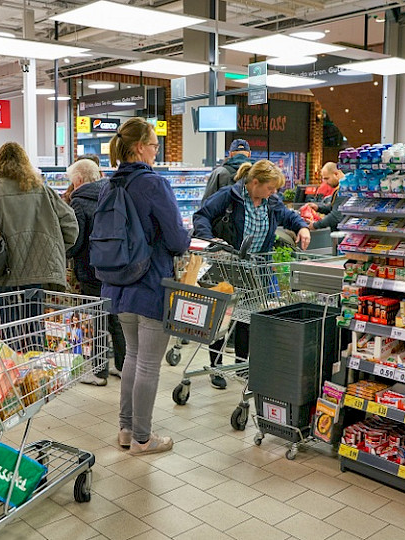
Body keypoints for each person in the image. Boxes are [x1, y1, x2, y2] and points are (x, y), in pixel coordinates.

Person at [99, 118, 190, 456]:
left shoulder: (110, 185)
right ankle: (142, 438)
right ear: (139, 147)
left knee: (132, 358)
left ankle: (126, 430)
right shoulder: (153, 184)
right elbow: (177, 240)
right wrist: (187, 236)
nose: (156, 151)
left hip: (117, 284)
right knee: (149, 364)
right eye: (153, 145)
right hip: (151, 283)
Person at [193, 160, 311, 389]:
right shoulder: (229, 197)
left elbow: (288, 216)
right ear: (254, 183)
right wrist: (212, 240)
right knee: (220, 318)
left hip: (255, 270)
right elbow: (201, 216)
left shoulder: (271, 201)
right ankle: (215, 367)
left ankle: (241, 364)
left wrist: (302, 227)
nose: (273, 193)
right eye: (270, 188)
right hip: (227, 266)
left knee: (247, 319)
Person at [0, 142, 78, 298]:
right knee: (33, 319)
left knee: (10, 321)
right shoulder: (42, 190)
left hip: (3, 270)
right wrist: (52, 249)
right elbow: (71, 226)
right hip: (38, 271)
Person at [65, 158, 126, 385]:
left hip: (90, 270)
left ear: (79, 179)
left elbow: (76, 241)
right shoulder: (113, 194)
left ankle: (99, 373)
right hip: (115, 267)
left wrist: (66, 253)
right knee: (114, 318)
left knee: (97, 319)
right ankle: (122, 366)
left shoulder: (79, 203)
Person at [306, 162, 347, 232]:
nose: (325, 182)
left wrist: (315, 225)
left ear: (336, 174)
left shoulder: (344, 189)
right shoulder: (340, 188)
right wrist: (318, 208)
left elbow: (335, 217)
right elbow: (334, 207)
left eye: (327, 178)